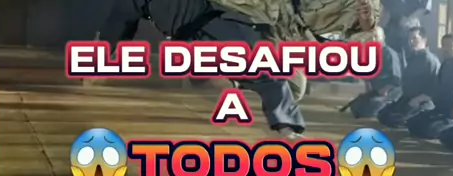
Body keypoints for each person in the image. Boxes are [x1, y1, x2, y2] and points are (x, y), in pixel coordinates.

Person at [93, 0, 305, 137]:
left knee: (268, 76)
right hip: (210, 33)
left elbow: (271, 80)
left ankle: (283, 120)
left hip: (222, 28)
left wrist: (286, 128)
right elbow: (121, 21)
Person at [407, 34, 453, 139]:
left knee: (435, 130)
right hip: (442, 109)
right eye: (443, 46)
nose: (445, 49)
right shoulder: (444, 65)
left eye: (449, 46)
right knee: (413, 123)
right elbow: (436, 87)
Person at [377, 26, 440, 127]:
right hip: (407, 98)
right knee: (383, 115)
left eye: (414, 38)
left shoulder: (430, 60)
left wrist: (418, 99)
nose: (411, 42)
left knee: (397, 120)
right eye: (410, 39)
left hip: (422, 101)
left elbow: (435, 87)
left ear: (424, 40)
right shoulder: (413, 57)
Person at [341, 28, 402, 119]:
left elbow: (396, 79)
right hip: (376, 90)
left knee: (369, 109)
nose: (373, 39)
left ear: (383, 37)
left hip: (389, 92)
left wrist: (385, 91)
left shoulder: (390, 54)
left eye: (376, 36)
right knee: (355, 108)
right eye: (371, 37)